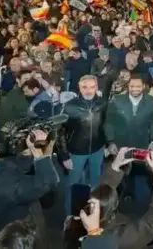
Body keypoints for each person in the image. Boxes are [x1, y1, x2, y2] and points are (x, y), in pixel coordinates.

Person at [79, 147, 153, 248]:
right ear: (116, 204)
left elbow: (101, 195)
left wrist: (115, 166)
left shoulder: (88, 229)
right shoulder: (119, 239)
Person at [104, 74, 153, 201]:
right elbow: (109, 122)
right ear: (128, 86)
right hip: (122, 143)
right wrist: (110, 142)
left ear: (144, 87)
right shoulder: (117, 100)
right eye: (132, 86)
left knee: (146, 171)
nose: (135, 89)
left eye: (138, 86)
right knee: (123, 172)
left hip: (142, 143)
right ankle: (123, 196)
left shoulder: (151, 100)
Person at [60, 75, 108, 214]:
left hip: (97, 150)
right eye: (84, 87)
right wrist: (64, 156)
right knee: (73, 184)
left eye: (92, 87)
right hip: (76, 152)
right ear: (79, 88)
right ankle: (70, 214)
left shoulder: (102, 103)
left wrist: (107, 144)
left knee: (95, 183)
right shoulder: (70, 106)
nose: (88, 90)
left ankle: (93, 212)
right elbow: (60, 132)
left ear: (97, 88)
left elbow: (106, 125)